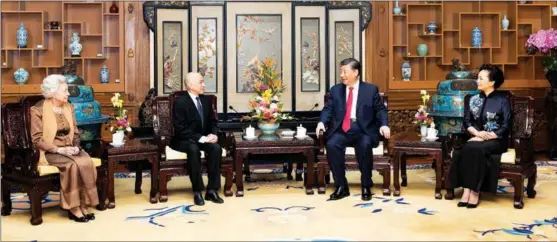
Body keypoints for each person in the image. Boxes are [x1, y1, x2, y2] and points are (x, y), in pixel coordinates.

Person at [316, 58, 391, 201]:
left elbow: (380, 110)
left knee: (365, 145)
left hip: (363, 130)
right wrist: (322, 122)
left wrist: (384, 124)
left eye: (345, 71)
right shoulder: (336, 90)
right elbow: (328, 109)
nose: (342, 75)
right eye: (341, 71)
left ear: (356, 72)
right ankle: (341, 186)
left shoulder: (370, 90)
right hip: (341, 130)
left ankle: (366, 185)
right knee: (332, 144)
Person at [30, 74, 98, 223]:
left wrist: (75, 147)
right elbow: (36, 140)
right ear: (53, 93)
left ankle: (83, 204)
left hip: (69, 148)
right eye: (65, 90)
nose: (68, 93)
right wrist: (59, 150)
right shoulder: (37, 110)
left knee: (86, 162)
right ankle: (73, 208)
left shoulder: (69, 107)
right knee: (72, 165)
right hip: (50, 152)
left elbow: (76, 132)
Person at [448, 64, 511, 209]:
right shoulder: (472, 99)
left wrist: (486, 137)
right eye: (478, 78)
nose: (478, 81)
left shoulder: (502, 100)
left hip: (496, 140)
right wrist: (477, 134)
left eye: (481, 78)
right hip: (475, 139)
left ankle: (473, 191)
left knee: (472, 147)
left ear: (492, 81)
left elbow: (506, 126)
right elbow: (467, 121)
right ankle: (468, 190)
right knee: (472, 147)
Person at [170, 72, 224, 206]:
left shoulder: (206, 101)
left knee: (216, 148)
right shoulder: (180, 102)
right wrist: (202, 138)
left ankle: (212, 190)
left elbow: (213, 122)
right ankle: (197, 190)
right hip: (184, 140)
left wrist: (214, 134)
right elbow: (180, 129)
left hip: (203, 139)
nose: (204, 85)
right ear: (190, 85)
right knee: (193, 149)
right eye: (201, 82)